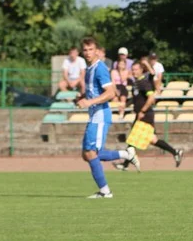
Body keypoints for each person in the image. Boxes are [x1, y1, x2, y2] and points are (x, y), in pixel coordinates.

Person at [76, 37, 139, 198]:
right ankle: (126, 154)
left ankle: (105, 192)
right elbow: (95, 90)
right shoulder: (90, 69)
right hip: (94, 115)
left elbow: (111, 93)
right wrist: (82, 96)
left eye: (91, 49)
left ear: (97, 51)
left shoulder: (100, 68)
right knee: (87, 154)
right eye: (85, 50)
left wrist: (89, 101)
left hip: (100, 116)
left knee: (91, 153)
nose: (88, 53)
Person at [115, 60, 184, 169]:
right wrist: (126, 104)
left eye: (136, 69)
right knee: (152, 140)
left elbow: (151, 98)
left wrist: (143, 111)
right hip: (140, 115)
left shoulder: (144, 83)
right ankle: (175, 152)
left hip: (145, 116)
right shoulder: (136, 83)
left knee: (133, 140)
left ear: (142, 70)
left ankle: (125, 165)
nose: (134, 72)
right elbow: (135, 98)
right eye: (132, 69)